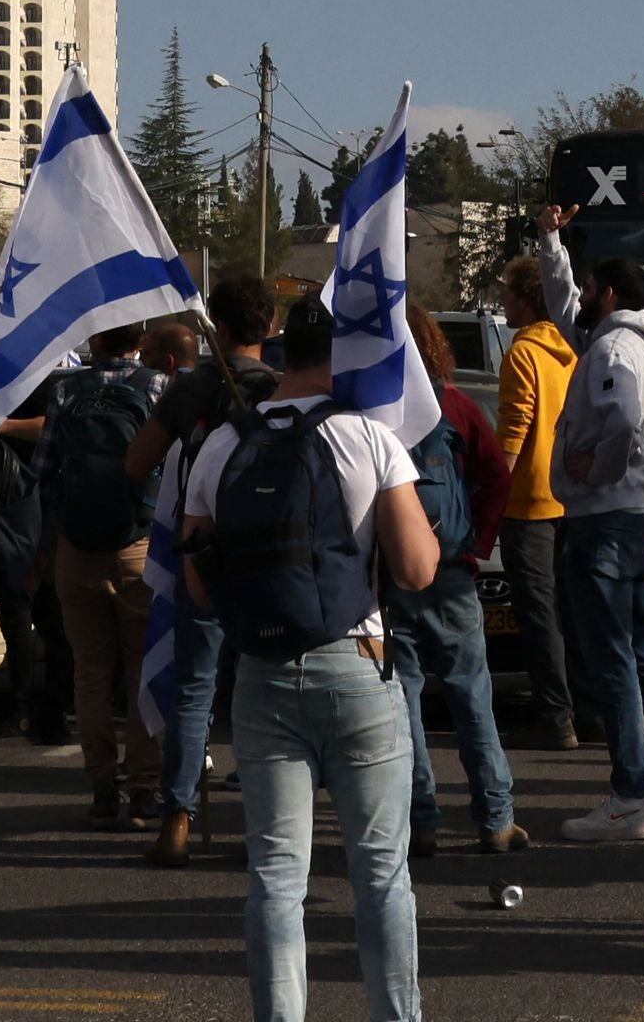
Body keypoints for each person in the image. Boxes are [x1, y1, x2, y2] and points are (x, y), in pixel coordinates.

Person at [178, 287, 446, 1022]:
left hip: (262, 675)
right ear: (343, 357)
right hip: (357, 660)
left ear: (280, 351)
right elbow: (419, 569)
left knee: (274, 877)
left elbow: (198, 585)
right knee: (381, 873)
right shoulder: (367, 438)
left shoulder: (223, 442)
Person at [130, 276, 286, 859]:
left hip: (201, 548)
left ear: (215, 325)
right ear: (271, 326)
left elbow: (137, 459)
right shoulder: (279, 388)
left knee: (193, 686)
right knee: (265, 685)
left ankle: (178, 817)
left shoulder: (194, 388)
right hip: (269, 554)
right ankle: (268, 820)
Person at [551, 259, 644, 841]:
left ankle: (630, 797)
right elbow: (565, 313)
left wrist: (596, 474)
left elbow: (624, 418)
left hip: (604, 520)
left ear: (607, 293)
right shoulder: (622, 340)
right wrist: (553, 245)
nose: (580, 298)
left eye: (587, 288)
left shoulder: (612, 352)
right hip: (629, 519)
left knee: (614, 664)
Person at [389, 297, 523, 865]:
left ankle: (421, 821)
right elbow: (496, 477)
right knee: (473, 697)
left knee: (406, 704)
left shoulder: (375, 412)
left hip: (392, 576)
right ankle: (495, 819)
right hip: (452, 575)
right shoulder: (459, 407)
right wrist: (477, 547)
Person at [43, 315, 182, 826]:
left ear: (96, 340)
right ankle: (145, 786)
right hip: (139, 545)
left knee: (90, 672)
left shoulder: (66, 389)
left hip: (77, 547)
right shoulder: (160, 388)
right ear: (141, 341)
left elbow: (46, 469)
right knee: (144, 669)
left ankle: (102, 786)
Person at [489, 245, 582, 753]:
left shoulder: (523, 352)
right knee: (567, 610)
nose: (501, 300)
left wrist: (492, 484)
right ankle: (583, 709)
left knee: (539, 613)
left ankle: (555, 715)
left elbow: (516, 425)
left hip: (527, 502)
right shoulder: (568, 351)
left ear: (526, 299)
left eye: (506, 291)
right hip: (568, 496)